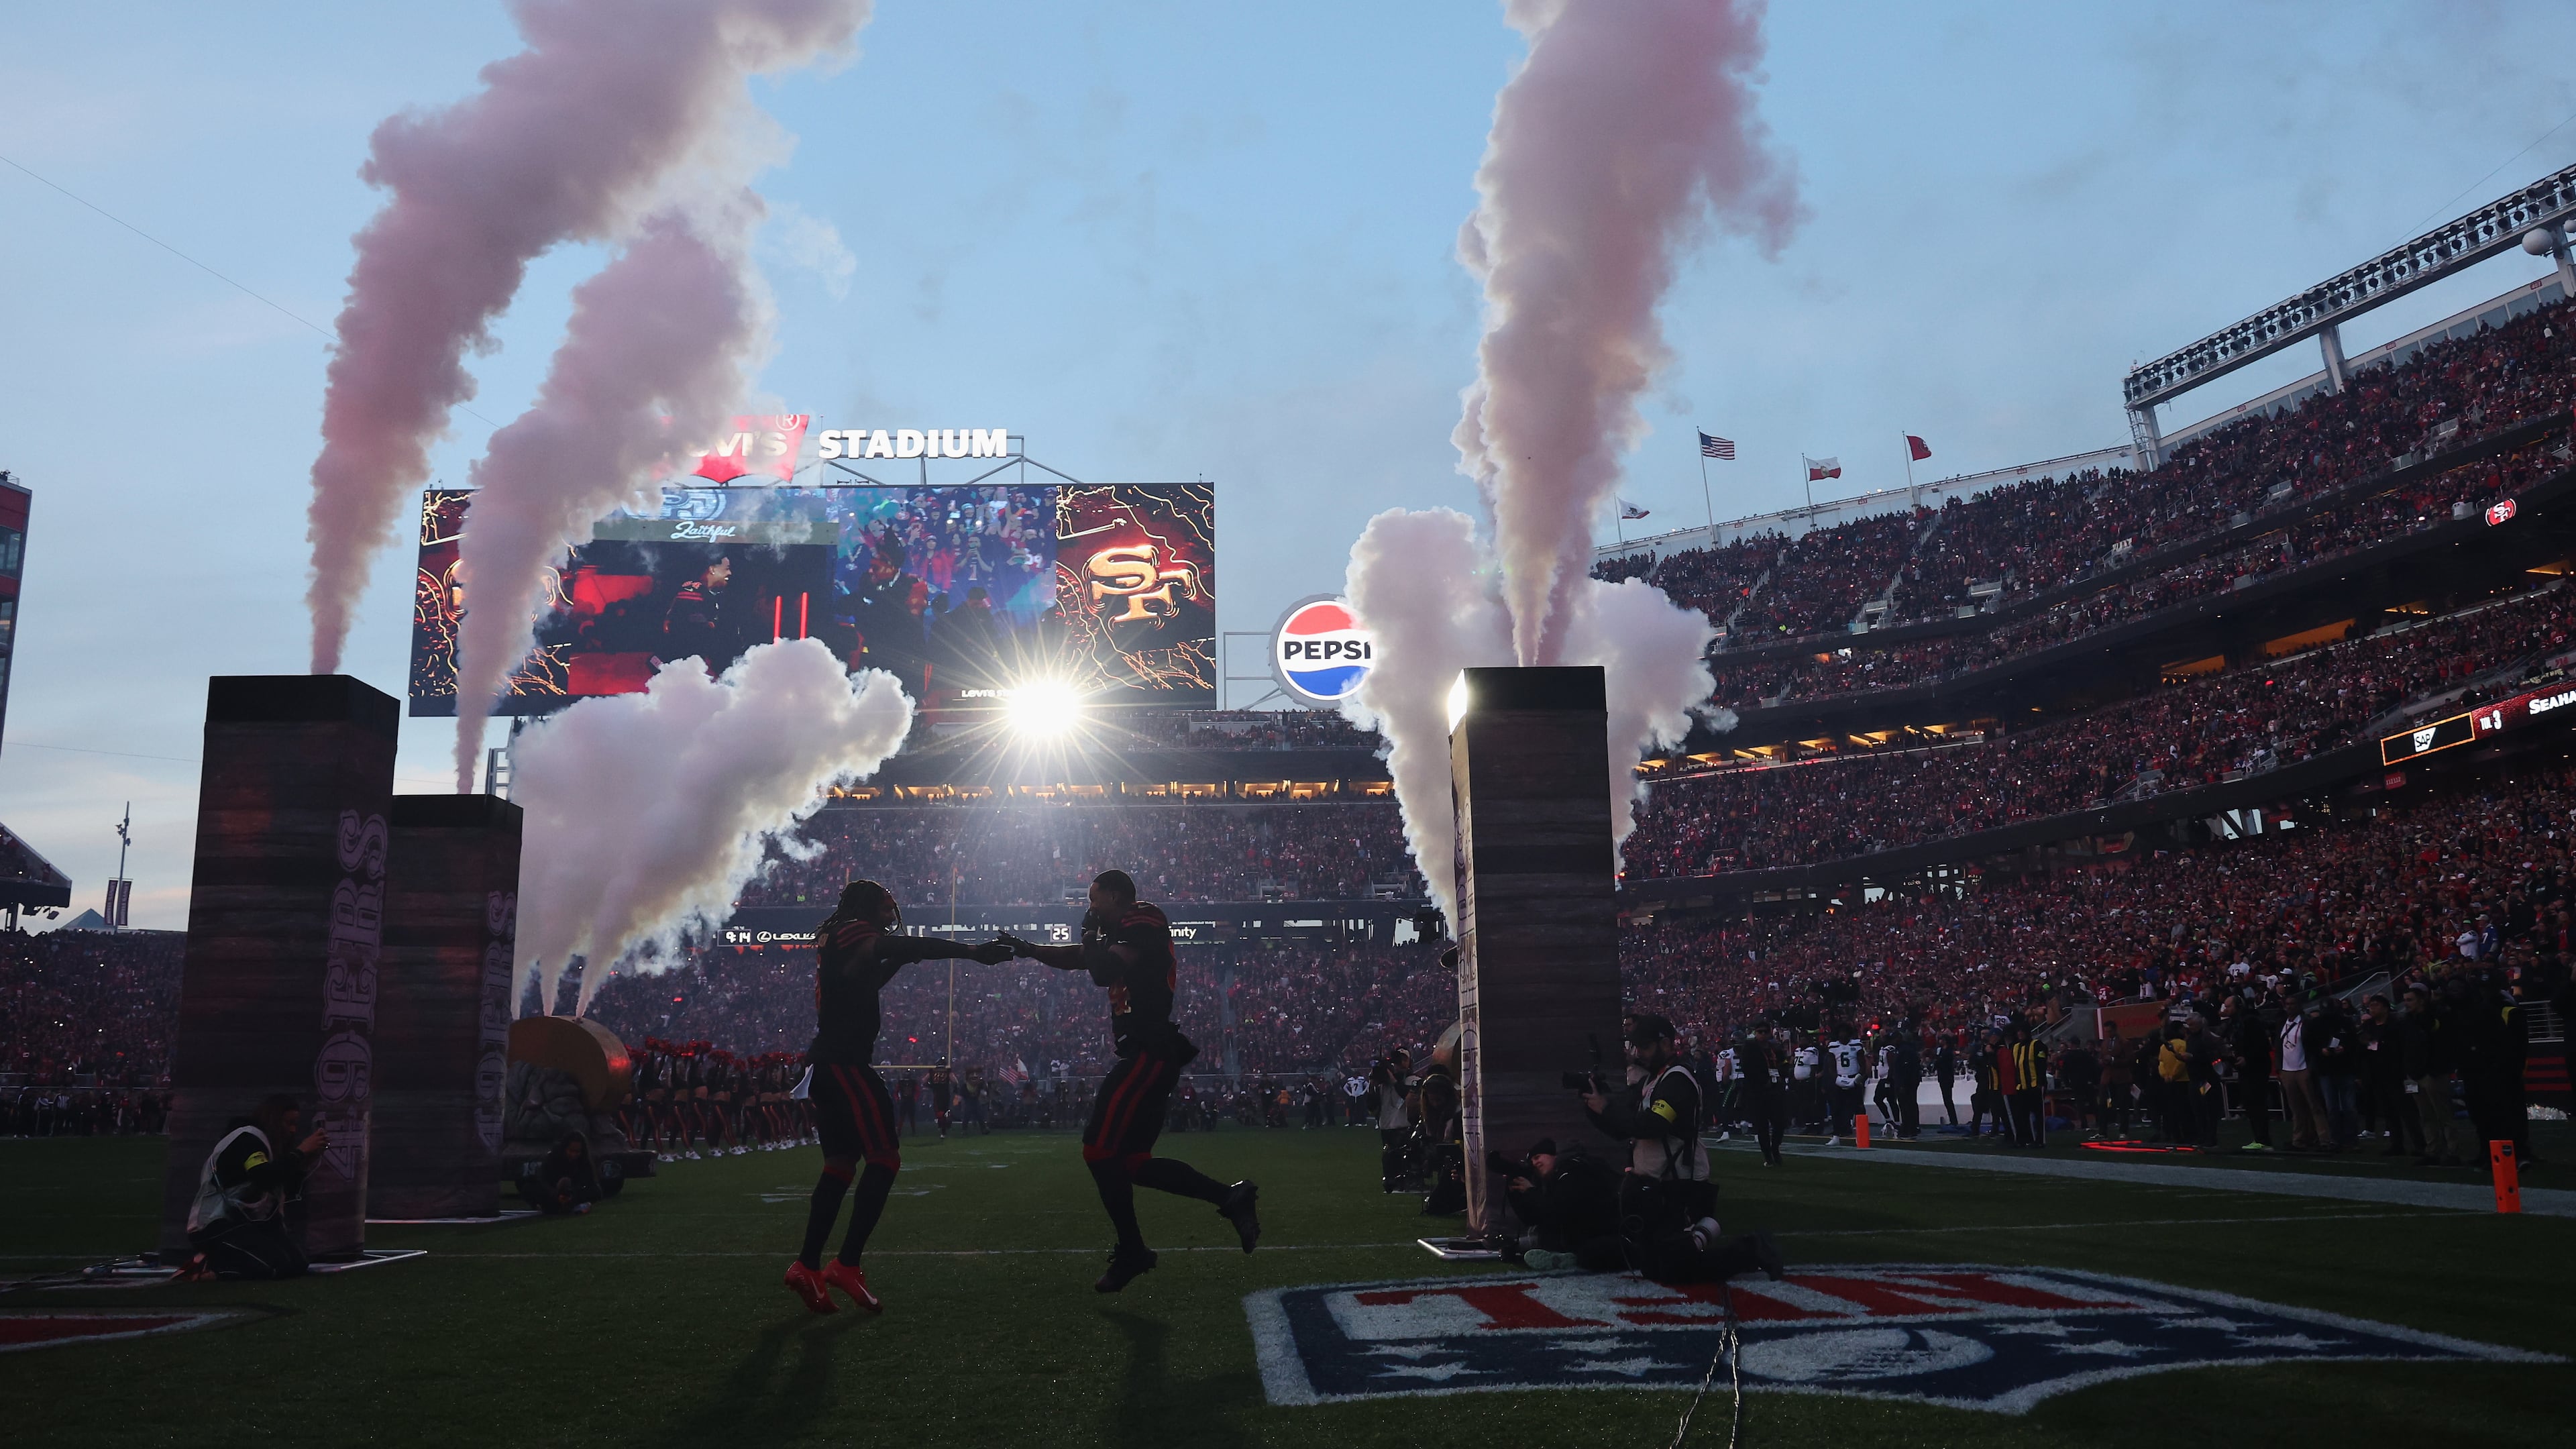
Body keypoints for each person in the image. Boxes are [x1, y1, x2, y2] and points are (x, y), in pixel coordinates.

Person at [1003, 870, 1260, 1292]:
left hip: (1149, 1051)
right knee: (1133, 1163)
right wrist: (1029, 949)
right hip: (1149, 1053)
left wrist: (1088, 934)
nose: (1090, 907)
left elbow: (1102, 970)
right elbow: (1081, 959)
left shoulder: (1142, 917)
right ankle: (1229, 1198)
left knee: (1096, 1149)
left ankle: (1133, 1251)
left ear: (1117, 897)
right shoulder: (1123, 933)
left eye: (1095, 898)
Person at [784, 880, 1012, 1316]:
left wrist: (906, 957)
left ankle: (806, 1266)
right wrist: (971, 952)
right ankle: (846, 1263)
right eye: (887, 908)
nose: (892, 915)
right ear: (869, 907)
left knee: (840, 1165)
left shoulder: (841, 940)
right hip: (845, 1064)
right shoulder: (853, 931)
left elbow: (867, 978)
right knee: (884, 1158)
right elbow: (895, 948)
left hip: (829, 1064)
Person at [1560, 1014, 1782, 1284]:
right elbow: (1622, 1128)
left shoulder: (1678, 1079)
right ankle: (1735, 1247)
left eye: (1644, 1046)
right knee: (1655, 1267)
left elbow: (1653, 1125)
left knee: (1672, 1269)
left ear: (1665, 1044)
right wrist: (1595, 1105)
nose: (1638, 1053)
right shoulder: (1653, 1081)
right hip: (1659, 1184)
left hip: (1680, 1184)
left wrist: (1606, 1108)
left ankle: (1750, 1250)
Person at [182, 1093, 322, 1280]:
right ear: (274, 1120)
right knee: (265, 1267)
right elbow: (263, 1176)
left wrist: (303, 1165)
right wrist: (300, 1153)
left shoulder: (265, 1145)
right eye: (288, 1123)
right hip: (215, 1224)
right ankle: (207, 1266)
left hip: (243, 1223)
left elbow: (281, 1189)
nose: (293, 1130)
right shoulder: (248, 1138)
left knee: (297, 1264)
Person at [663, 554, 733, 666]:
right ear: (712, 570)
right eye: (727, 569)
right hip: (688, 664)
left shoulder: (714, 594)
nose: (730, 573)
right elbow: (686, 625)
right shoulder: (691, 591)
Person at [1736, 1022, 1788, 1167]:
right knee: (1762, 1126)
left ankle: (1775, 1147)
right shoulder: (1750, 1048)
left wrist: (1783, 1072)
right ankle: (1768, 1156)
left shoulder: (1774, 1047)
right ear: (1756, 1033)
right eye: (1760, 1032)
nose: (1763, 1035)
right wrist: (1762, 1081)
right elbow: (1747, 1068)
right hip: (1758, 1091)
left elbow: (1783, 1061)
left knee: (1780, 1122)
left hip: (1775, 1089)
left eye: (1766, 1032)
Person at [522, 1132, 601, 1215]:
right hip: (553, 1192)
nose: (574, 1155)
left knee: (595, 1191)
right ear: (565, 1148)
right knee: (528, 1188)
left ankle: (567, 1205)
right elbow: (543, 1181)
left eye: (577, 1152)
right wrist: (556, 1195)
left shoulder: (584, 1162)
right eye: (571, 1151)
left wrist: (573, 1195)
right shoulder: (552, 1158)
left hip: (573, 1194)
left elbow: (587, 1182)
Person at [1933, 1034, 1960, 1128]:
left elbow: (1941, 1062)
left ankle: (1954, 1121)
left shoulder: (1948, 1052)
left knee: (1948, 1099)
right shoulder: (1942, 1051)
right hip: (1943, 1077)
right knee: (1947, 1099)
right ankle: (1953, 1120)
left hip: (1947, 1077)